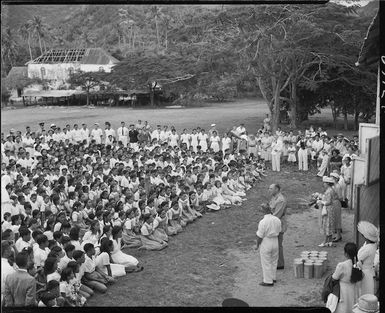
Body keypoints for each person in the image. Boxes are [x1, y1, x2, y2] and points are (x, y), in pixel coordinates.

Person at [254, 203, 281, 286]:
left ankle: (268, 280)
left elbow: (260, 236)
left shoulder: (263, 222)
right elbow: (279, 231)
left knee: (266, 262)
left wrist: (257, 245)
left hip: (266, 241)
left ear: (263, 211)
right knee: (274, 260)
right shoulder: (277, 219)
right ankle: (273, 277)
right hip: (275, 241)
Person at [331, 242, 361, 313]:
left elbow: (334, 278)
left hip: (343, 291)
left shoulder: (342, 265)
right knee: (352, 306)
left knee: (343, 308)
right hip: (354, 290)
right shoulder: (358, 265)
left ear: (346, 254)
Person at [267, 184, 287, 270]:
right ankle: (276, 261)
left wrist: (267, 221)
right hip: (273, 221)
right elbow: (270, 207)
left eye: (271, 188)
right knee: (274, 243)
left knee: (278, 244)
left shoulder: (280, 200)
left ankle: (279, 264)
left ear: (277, 189)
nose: (269, 190)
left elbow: (277, 214)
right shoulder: (274, 197)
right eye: (269, 188)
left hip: (277, 223)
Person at [356, 221, 378, 297]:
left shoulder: (367, 249)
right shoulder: (373, 245)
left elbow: (360, 259)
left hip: (365, 273)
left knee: (364, 292)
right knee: (368, 291)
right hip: (370, 271)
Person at [317, 176, 336, 247]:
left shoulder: (329, 191)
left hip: (328, 209)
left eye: (324, 183)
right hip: (330, 209)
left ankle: (324, 242)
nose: (323, 184)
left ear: (327, 183)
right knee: (330, 224)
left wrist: (321, 202)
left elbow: (329, 202)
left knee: (326, 224)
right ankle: (330, 241)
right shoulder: (331, 190)